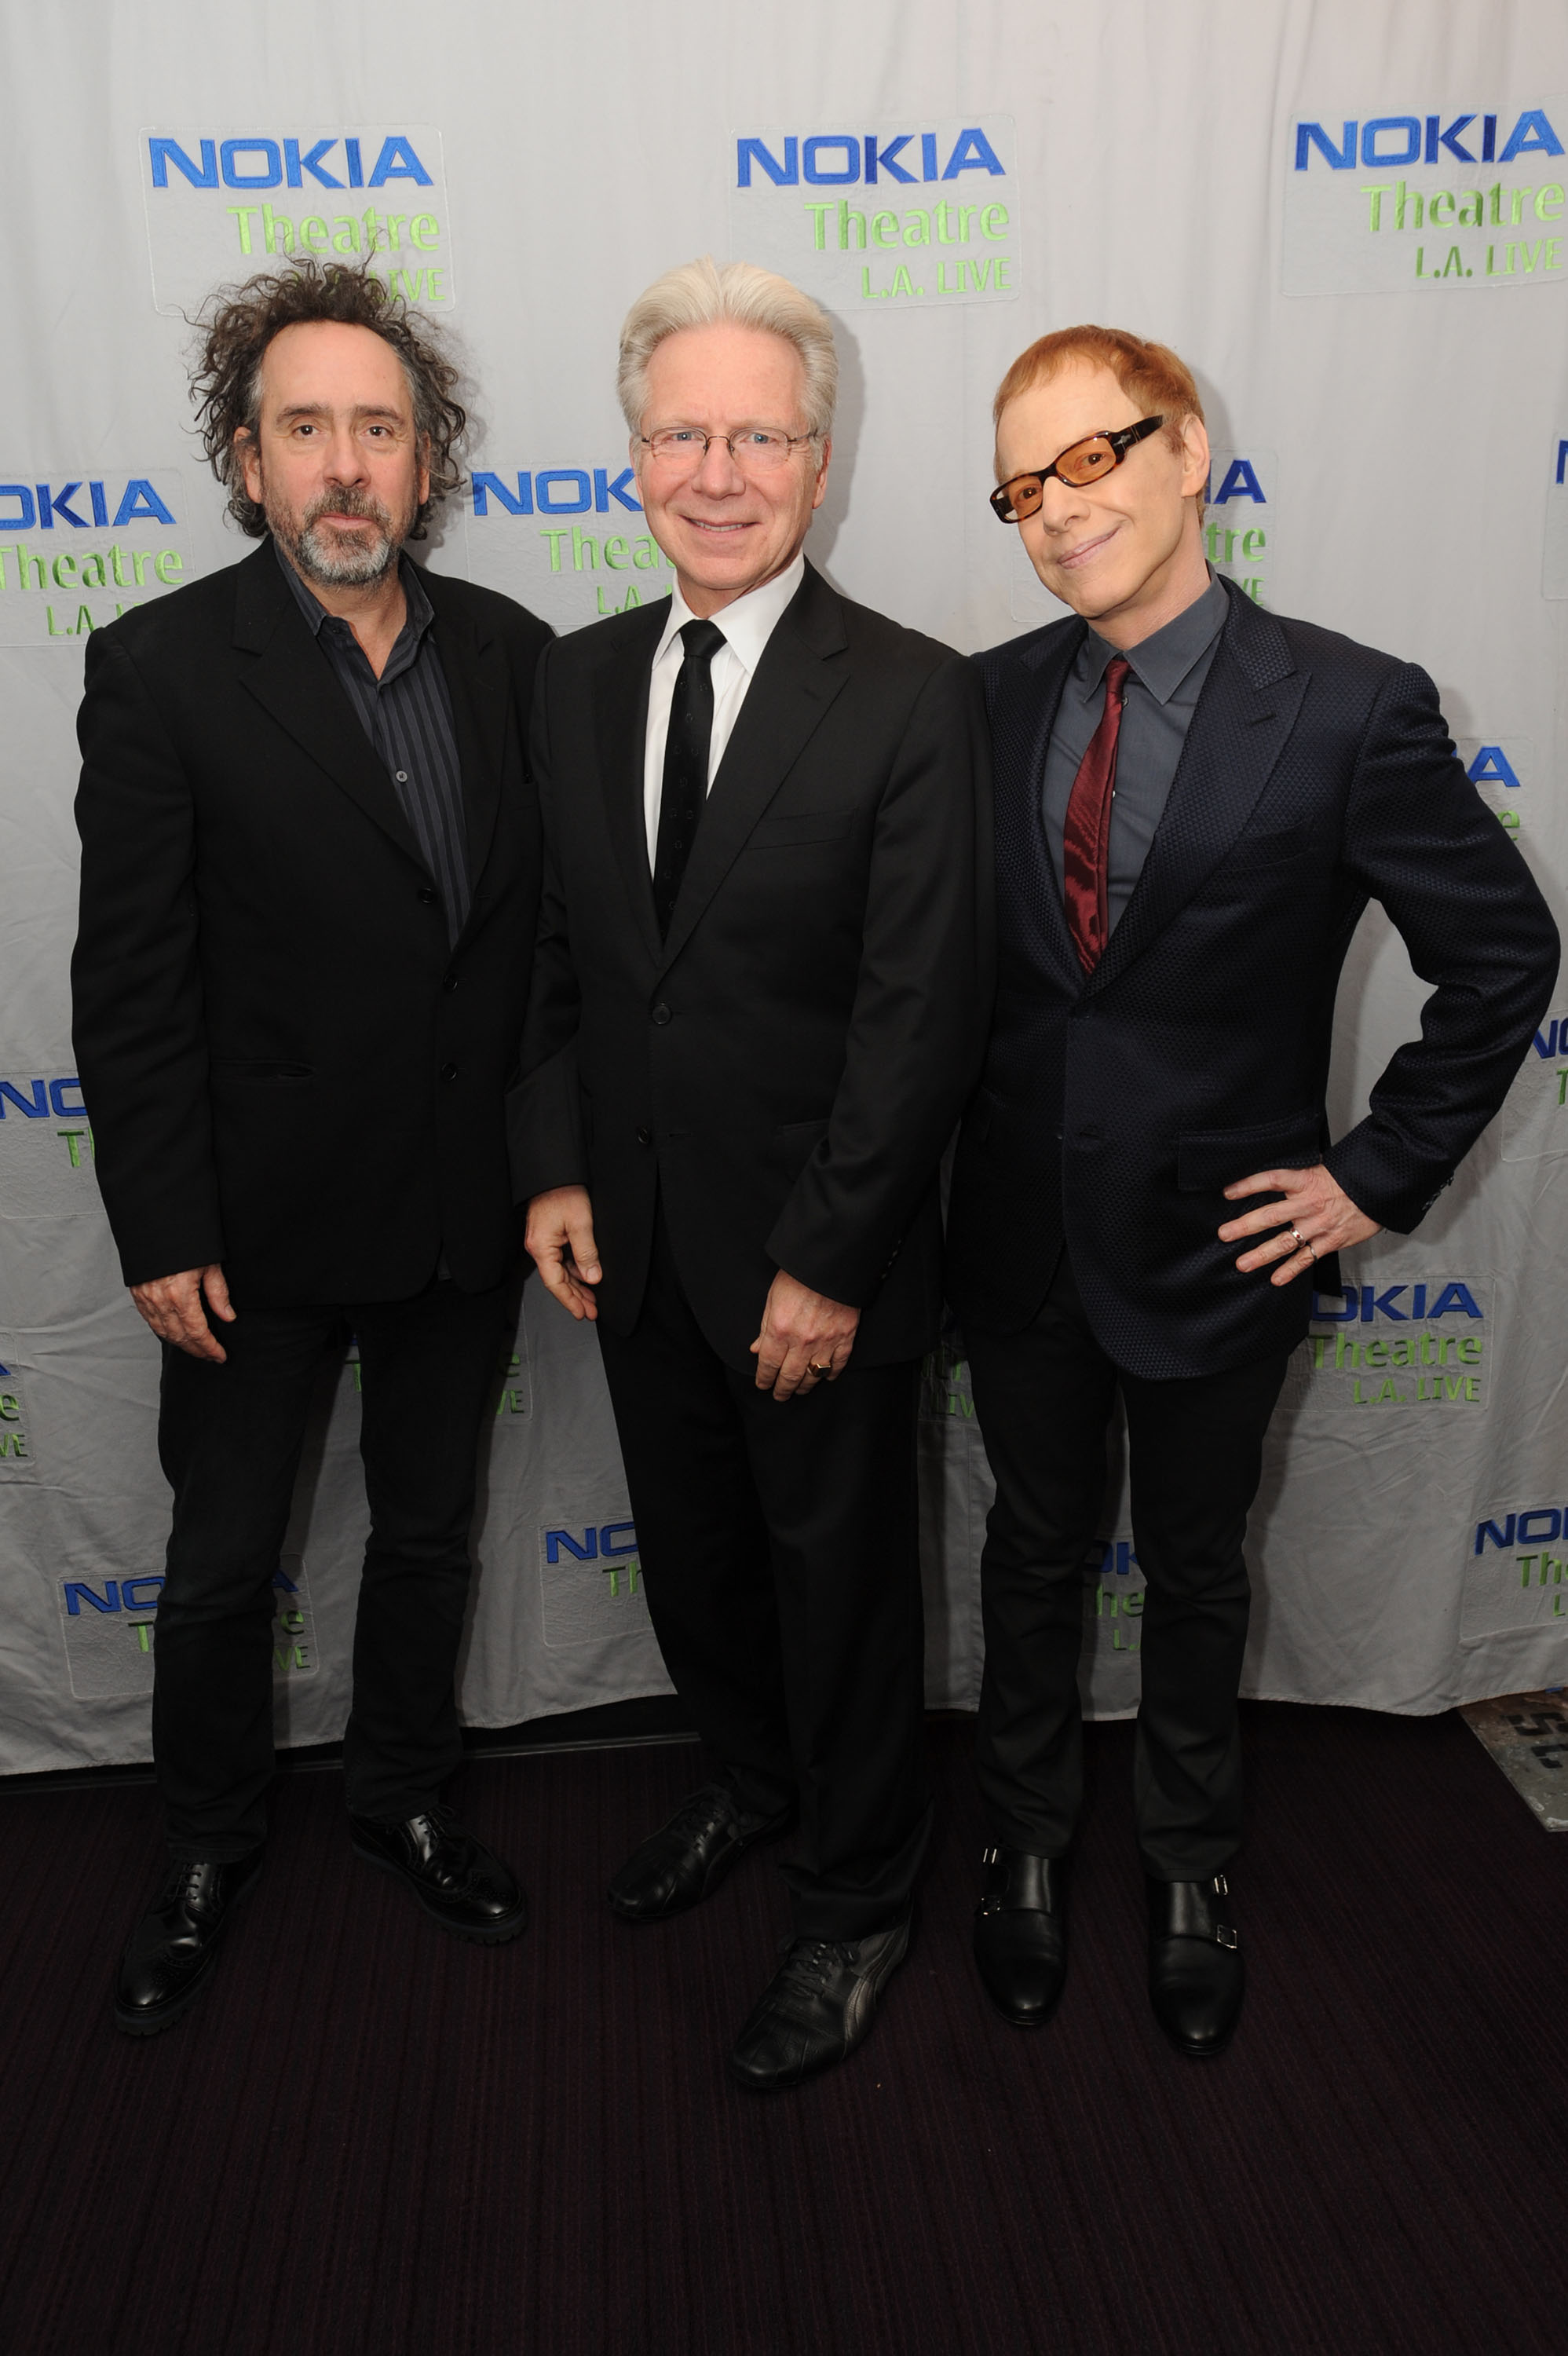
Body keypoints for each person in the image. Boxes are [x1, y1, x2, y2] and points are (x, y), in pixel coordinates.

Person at [945, 325, 1558, 2057]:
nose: (1058, 509)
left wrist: (1372, 1175)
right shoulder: (979, 701)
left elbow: (1502, 955)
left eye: (1091, 458)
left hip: (1226, 1245)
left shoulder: (1351, 705)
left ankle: (1190, 1862)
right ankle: (1023, 1844)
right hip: (1016, 1234)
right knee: (1028, 1553)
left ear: (1188, 451)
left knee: (1197, 1568)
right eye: (1020, 485)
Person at [513, 257, 989, 2090]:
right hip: (634, 1247)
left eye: (759, 438)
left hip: (816, 1268)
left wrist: (832, 1257)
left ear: (820, 460)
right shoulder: (573, 681)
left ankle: (859, 1899)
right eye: (682, 435)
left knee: (841, 1593)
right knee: (699, 1569)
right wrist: (555, 1167)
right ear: (635, 456)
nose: (718, 473)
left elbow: (919, 1016)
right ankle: (749, 1782)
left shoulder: (912, 697)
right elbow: (561, 958)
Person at [72, 260, 552, 2036]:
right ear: (247, 459)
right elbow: (129, 984)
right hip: (248, 1232)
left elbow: (539, 952)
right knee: (220, 1563)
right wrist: (160, 1223)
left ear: (427, 460)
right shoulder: (159, 668)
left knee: (429, 1534)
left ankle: (402, 1794)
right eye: (304, 428)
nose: (345, 464)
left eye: (379, 427)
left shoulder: (511, 655)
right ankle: (204, 1842)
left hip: (458, 1216)